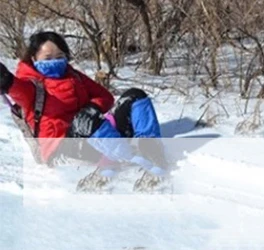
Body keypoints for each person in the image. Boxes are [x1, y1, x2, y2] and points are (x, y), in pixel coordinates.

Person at [0, 31, 166, 181]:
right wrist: (6, 80)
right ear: (34, 59)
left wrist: (92, 107)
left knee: (135, 96)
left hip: (94, 136)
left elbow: (105, 97)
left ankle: (150, 148)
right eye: (48, 58)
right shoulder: (30, 84)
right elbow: (18, 90)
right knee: (82, 120)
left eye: (59, 56)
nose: (55, 62)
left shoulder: (73, 76)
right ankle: (128, 159)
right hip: (62, 150)